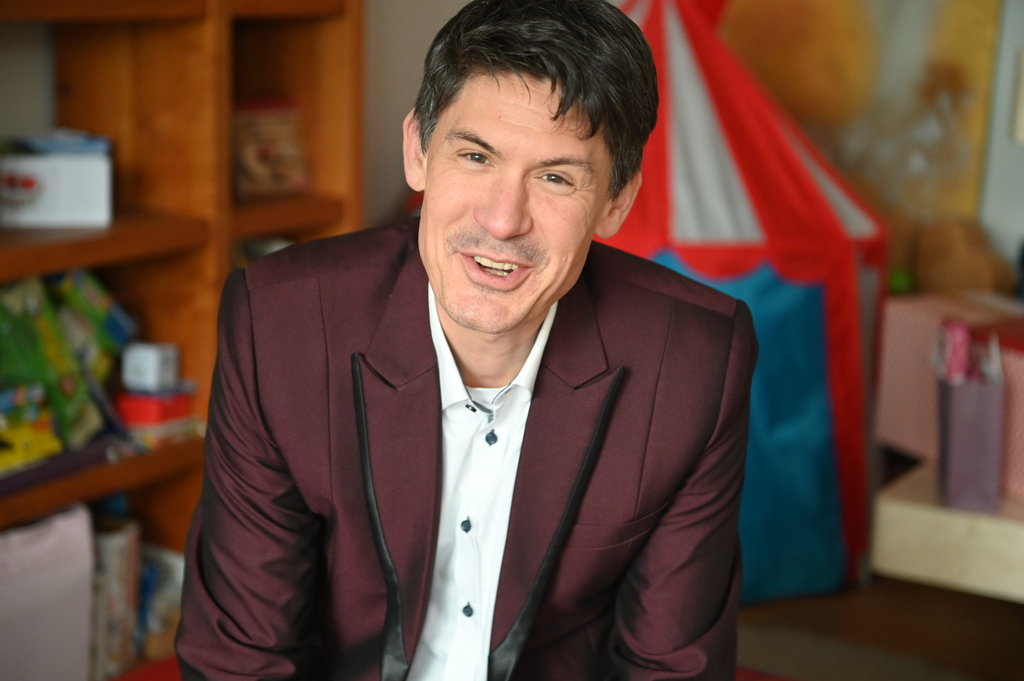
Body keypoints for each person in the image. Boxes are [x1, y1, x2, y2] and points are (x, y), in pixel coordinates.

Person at [176, 0, 757, 679]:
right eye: (476, 156)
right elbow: (241, 658)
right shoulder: (281, 327)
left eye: (556, 177)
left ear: (616, 199)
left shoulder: (692, 361)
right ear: (417, 151)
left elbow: (670, 667)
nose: (503, 220)